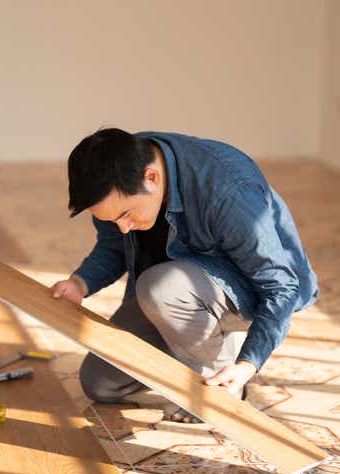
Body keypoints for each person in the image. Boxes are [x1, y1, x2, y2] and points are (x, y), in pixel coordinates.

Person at [50, 128, 318, 423]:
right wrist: (79, 283)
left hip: (243, 290)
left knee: (159, 289)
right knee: (100, 382)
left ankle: (220, 384)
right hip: (176, 294)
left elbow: (280, 286)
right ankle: (194, 339)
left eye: (125, 215)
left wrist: (245, 365)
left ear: (151, 178)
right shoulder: (118, 176)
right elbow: (113, 245)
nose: (123, 227)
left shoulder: (227, 189)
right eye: (114, 220)